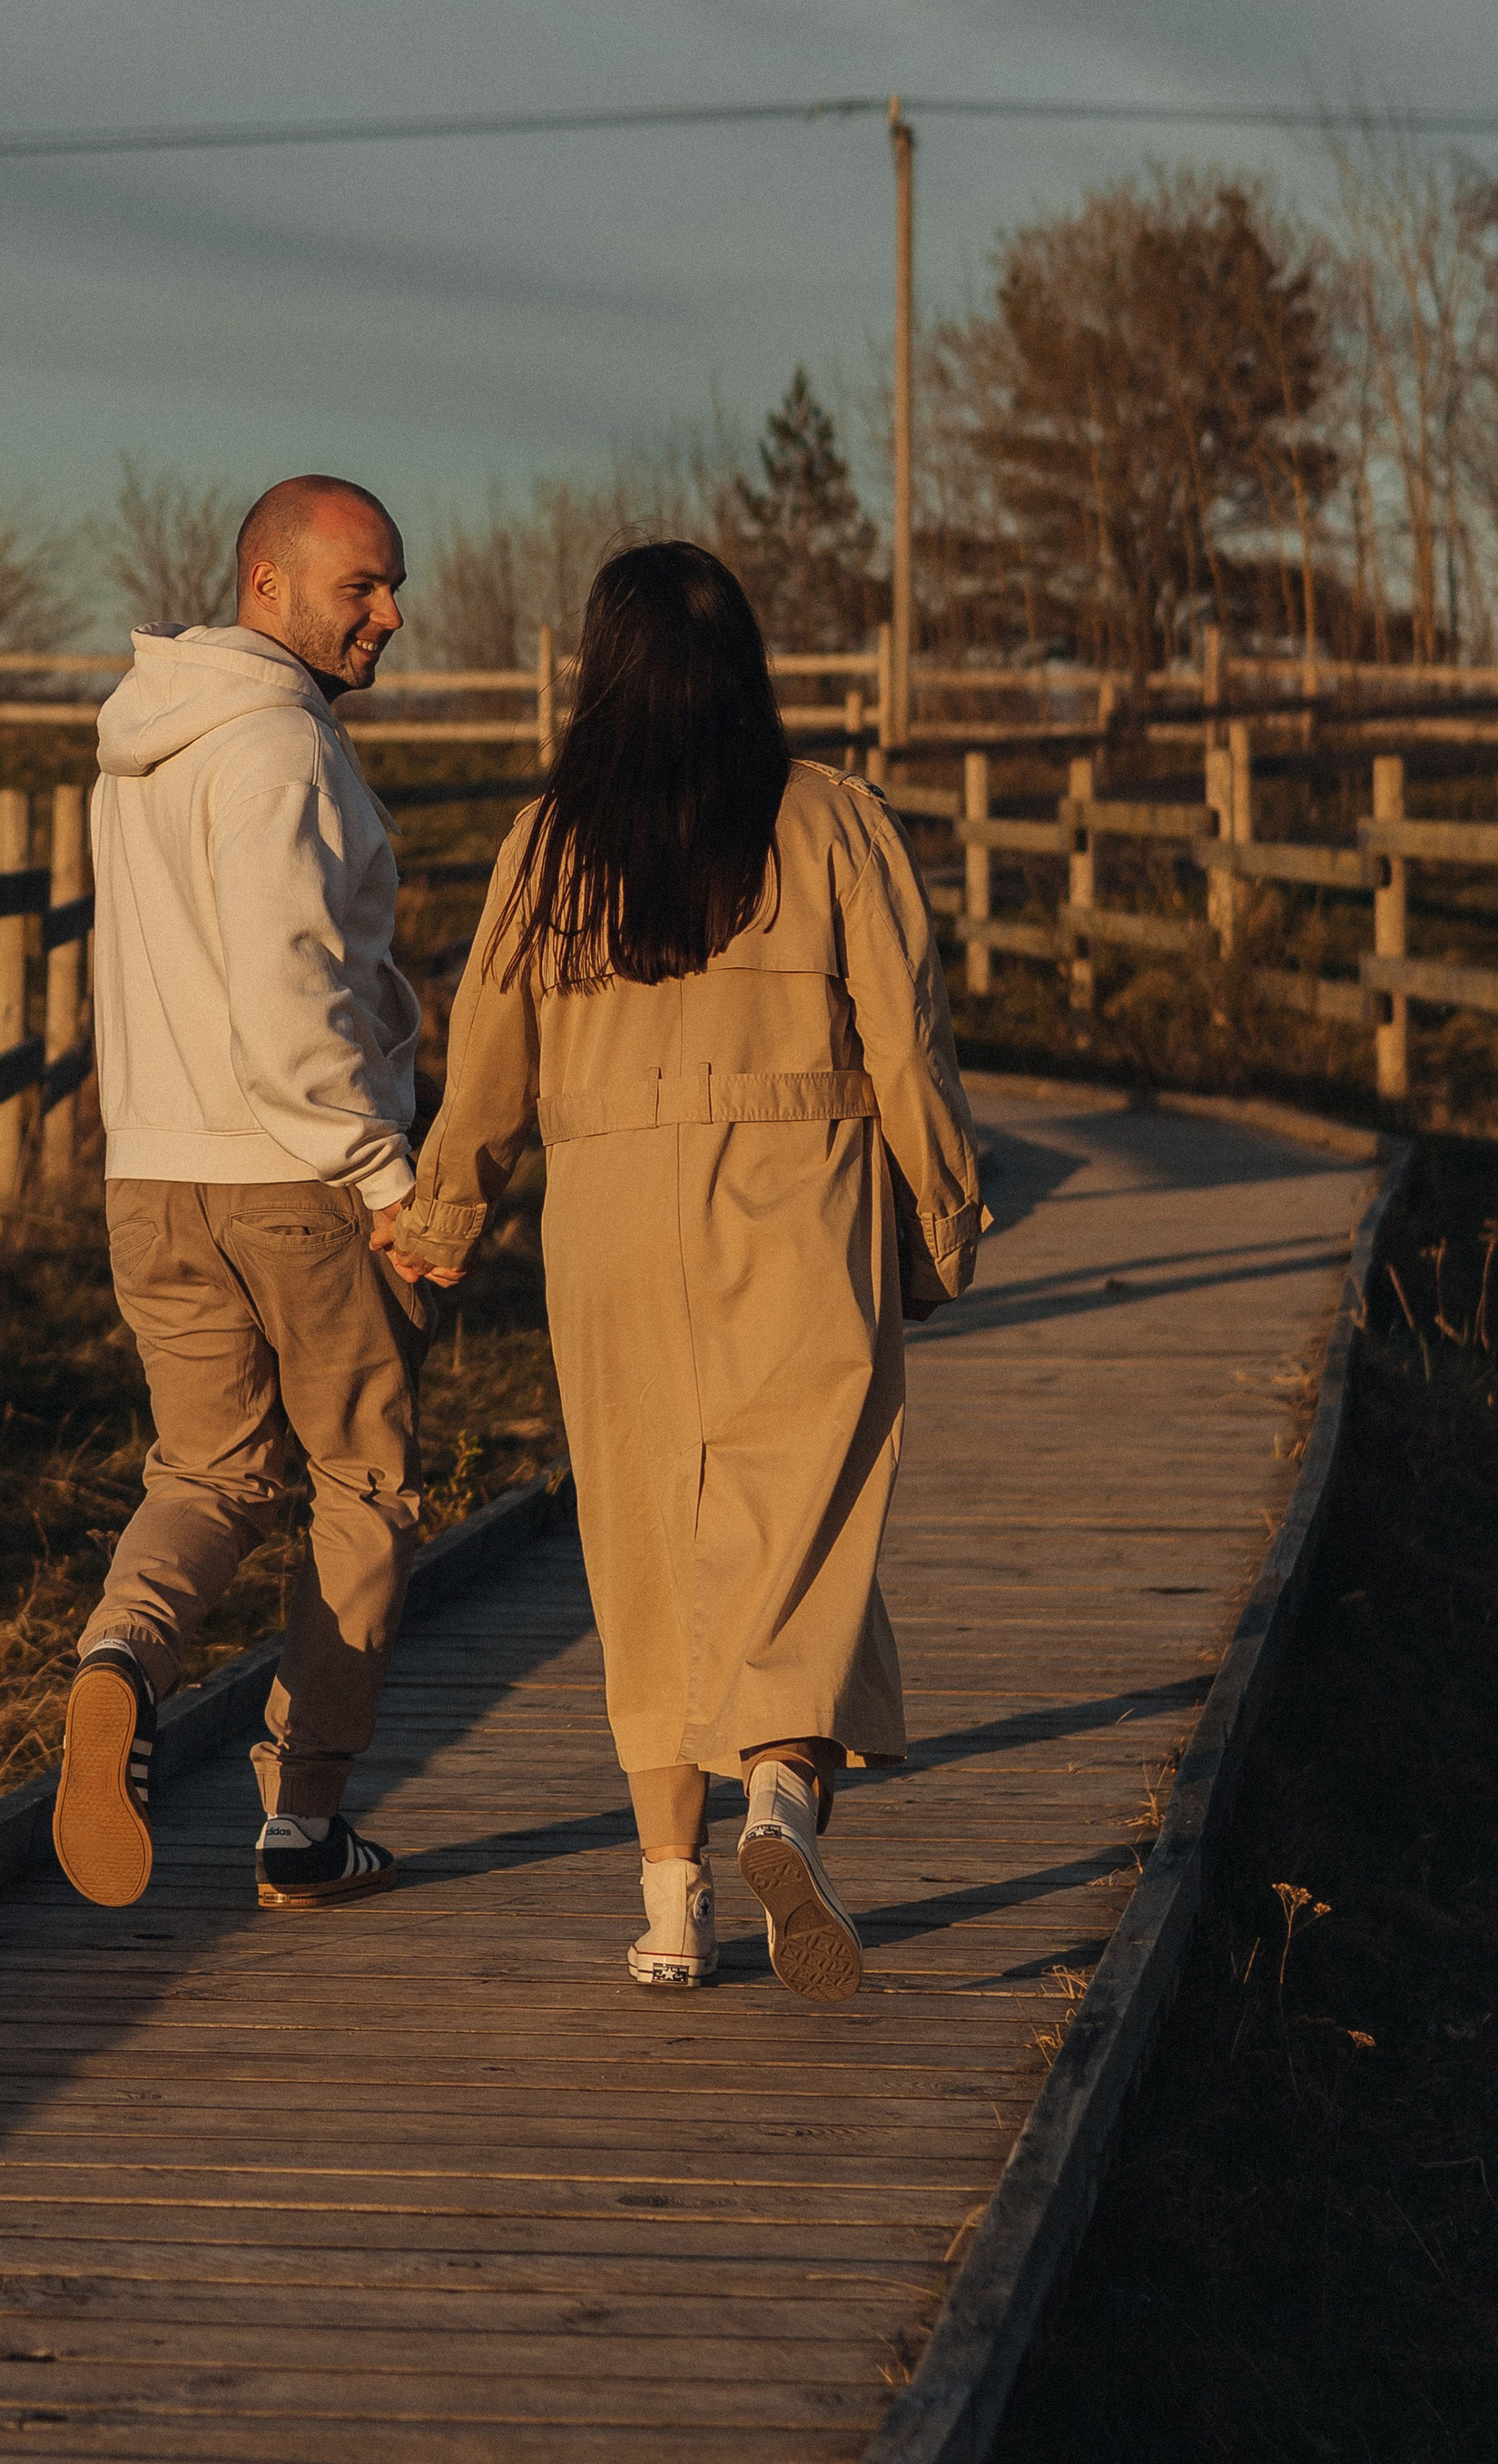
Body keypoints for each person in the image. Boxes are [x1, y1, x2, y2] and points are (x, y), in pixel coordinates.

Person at [384, 542, 981, 2006]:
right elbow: (908, 1040)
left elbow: (490, 1053)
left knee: (643, 1542)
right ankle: (780, 1795)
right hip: (798, 1201)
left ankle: (669, 1908)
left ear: (604, 669)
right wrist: (945, 1223)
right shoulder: (834, 818)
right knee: (802, 1520)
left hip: (610, 1220)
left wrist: (448, 1211)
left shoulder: (549, 841)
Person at [52, 475, 429, 1915]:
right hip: (294, 1176)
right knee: (362, 1479)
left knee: (206, 1472)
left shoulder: (142, 745)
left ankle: (118, 1662)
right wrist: (385, 1174)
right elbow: (289, 998)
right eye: (365, 587)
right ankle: (305, 1820)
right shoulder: (277, 748)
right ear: (269, 586)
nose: (391, 615)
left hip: (153, 1171)